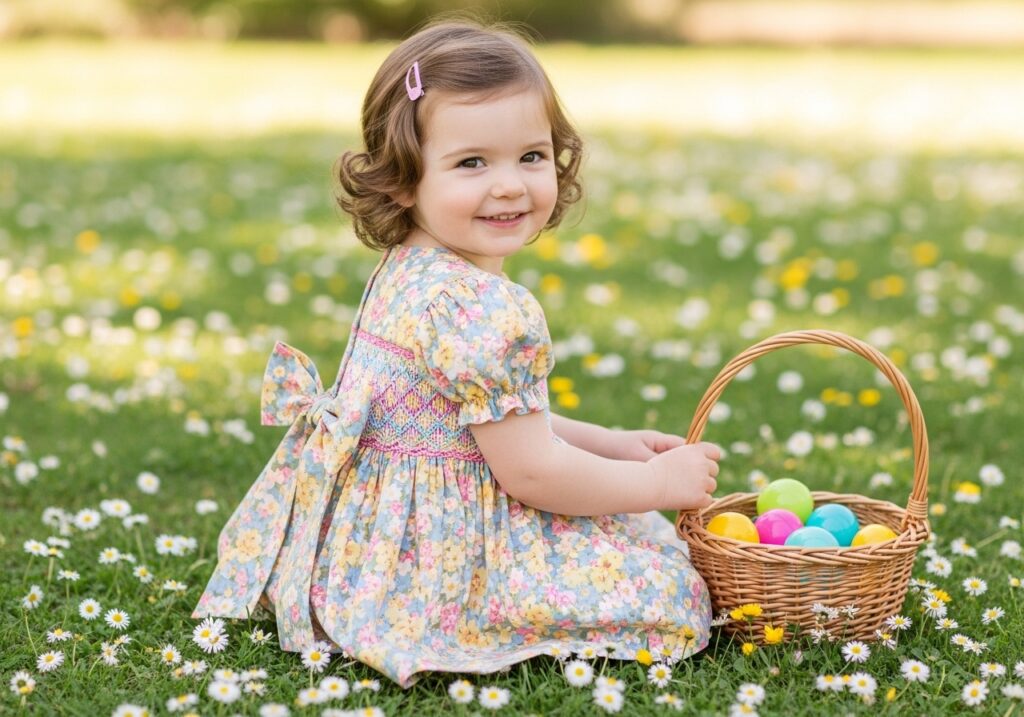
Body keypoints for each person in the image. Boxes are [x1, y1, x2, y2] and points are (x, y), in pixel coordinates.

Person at [193, 16, 720, 689]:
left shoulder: (409, 265)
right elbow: (529, 473)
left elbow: (477, 423)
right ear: (403, 180)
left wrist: (611, 443)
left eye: (530, 156)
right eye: (472, 162)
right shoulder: (483, 307)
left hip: (366, 556)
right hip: (446, 568)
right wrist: (654, 485)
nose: (509, 184)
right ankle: (476, 615)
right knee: (671, 585)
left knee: (634, 525)